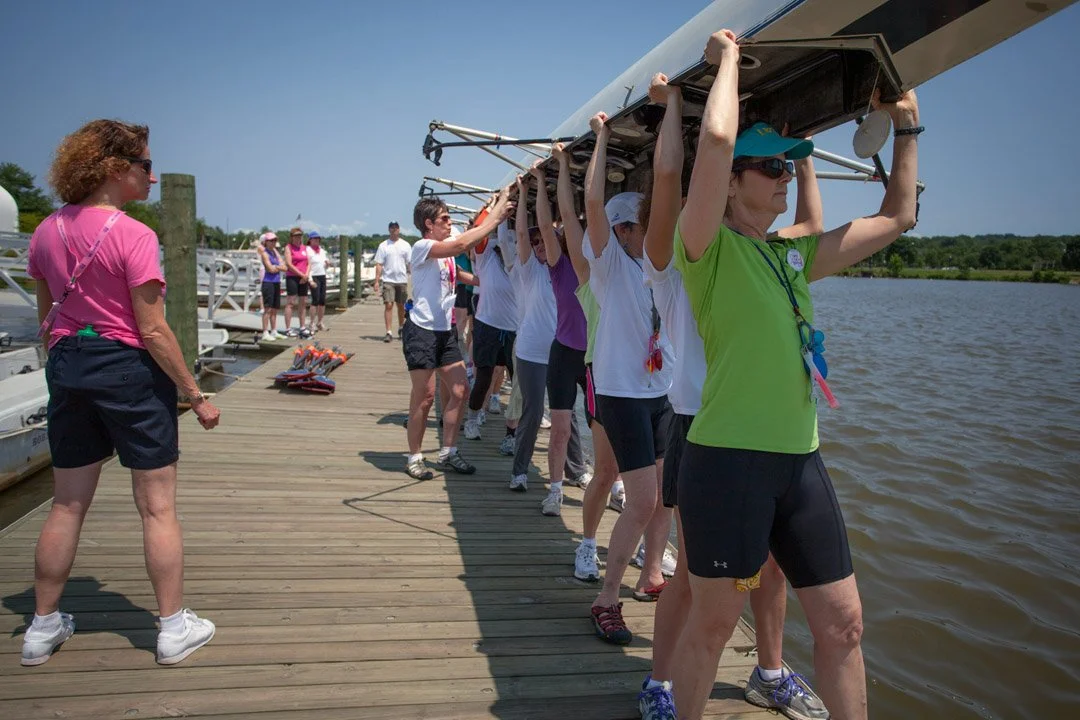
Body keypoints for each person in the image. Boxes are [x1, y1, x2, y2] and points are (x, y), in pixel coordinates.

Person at [670, 30, 922, 720]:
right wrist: (725, 66)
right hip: (725, 460)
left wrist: (906, 128)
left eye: (790, 167)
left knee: (843, 624)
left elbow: (896, 215)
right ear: (734, 187)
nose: (786, 176)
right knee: (714, 626)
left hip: (800, 461)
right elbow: (715, 146)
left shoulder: (794, 256)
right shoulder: (706, 247)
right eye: (773, 168)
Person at [635, 72, 827, 720]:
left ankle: (769, 670)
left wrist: (800, 158)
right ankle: (662, 684)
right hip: (702, 427)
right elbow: (670, 180)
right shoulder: (675, 251)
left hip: (758, 430)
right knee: (693, 579)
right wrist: (677, 111)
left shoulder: (762, 250)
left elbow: (809, 228)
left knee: (773, 568)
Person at [21, 119, 221, 667]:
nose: (153, 178)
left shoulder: (45, 232)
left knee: (66, 504)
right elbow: (153, 329)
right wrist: (194, 394)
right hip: (128, 369)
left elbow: (46, 322)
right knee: (157, 509)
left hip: (68, 364)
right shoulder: (135, 235)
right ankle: (173, 628)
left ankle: (40, 628)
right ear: (115, 167)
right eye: (146, 166)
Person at [583, 112, 675, 646]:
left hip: (659, 393)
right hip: (620, 393)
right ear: (623, 230)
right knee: (640, 500)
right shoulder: (609, 263)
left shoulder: (656, 265)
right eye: (646, 222)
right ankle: (605, 597)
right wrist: (601, 138)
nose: (657, 229)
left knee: (664, 498)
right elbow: (592, 203)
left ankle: (651, 575)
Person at [548, 143, 626, 582]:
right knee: (606, 471)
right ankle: (588, 543)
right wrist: (563, 167)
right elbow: (577, 212)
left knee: (652, 489)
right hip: (605, 380)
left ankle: (647, 556)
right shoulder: (591, 273)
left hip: (651, 387)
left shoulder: (655, 268)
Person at [403, 189, 513, 480]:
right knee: (424, 397)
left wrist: (482, 280)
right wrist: (498, 215)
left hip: (445, 332)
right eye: (444, 219)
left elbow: (458, 265)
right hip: (421, 331)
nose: (449, 223)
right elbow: (464, 242)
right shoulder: (422, 246)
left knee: (460, 390)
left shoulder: (445, 246)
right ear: (429, 224)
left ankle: (448, 452)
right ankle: (414, 457)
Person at [508, 174, 590, 510]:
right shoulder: (543, 267)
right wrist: (533, 188)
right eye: (539, 242)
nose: (543, 246)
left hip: (583, 353)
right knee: (541, 416)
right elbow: (532, 230)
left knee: (580, 422)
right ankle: (533, 478)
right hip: (545, 352)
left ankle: (582, 472)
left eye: (548, 241)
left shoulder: (589, 266)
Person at [530, 163, 594, 514]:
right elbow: (547, 222)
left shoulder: (599, 262)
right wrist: (543, 180)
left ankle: (615, 484)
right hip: (565, 353)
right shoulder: (558, 264)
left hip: (596, 357)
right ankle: (555, 489)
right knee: (561, 429)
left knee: (606, 431)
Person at [463, 223, 519, 448]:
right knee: (484, 378)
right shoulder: (486, 258)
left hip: (515, 329)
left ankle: (512, 434)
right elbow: (481, 232)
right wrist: (499, 213)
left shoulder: (519, 262)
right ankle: (473, 419)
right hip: (487, 325)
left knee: (518, 384)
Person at [375, 221, 412, 342]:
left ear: (399, 229)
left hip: (402, 279)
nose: (394, 230)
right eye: (392, 227)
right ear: (389, 229)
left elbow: (410, 263)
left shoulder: (405, 245)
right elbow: (379, 264)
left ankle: (401, 327)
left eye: (396, 227)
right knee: (388, 304)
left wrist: (414, 277)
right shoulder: (383, 245)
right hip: (388, 280)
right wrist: (376, 281)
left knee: (401, 305)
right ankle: (388, 331)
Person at [283, 227, 312, 337]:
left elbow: (309, 263)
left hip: (304, 277)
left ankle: (302, 326)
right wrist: (301, 274)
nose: (298, 237)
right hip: (293, 277)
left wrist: (306, 275)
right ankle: (288, 328)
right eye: (296, 235)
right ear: (291, 237)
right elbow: (289, 264)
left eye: (300, 235)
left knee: (303, 303)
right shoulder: (288, 247)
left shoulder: (305, 248)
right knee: (290, 303)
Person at [256, 232, 286, 341]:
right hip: (268, 282)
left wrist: (276, 267)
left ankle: (274, 331)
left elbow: (285, 267)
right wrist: (278, 267)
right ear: (266, 242)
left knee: (275, 309)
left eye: (275, 240)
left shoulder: (274, 253)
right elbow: (269, 269)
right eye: (271, 240)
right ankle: (265, 332)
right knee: (267, 309)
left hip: (276, 282)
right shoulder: (265, 253)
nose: (273, 242)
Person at [306, 230, 331, 331]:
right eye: (315, 239)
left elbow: (325, 264)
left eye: (318, 239)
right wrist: (310, 280)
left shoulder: (321, 250)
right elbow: (308, 265)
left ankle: (320, 322)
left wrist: (328, 264)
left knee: (322, 300)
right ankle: (311, 323)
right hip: (314, 276)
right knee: (315, 300)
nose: (317, 240)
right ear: (310, 240)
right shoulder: (307, 250)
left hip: (322, 275)